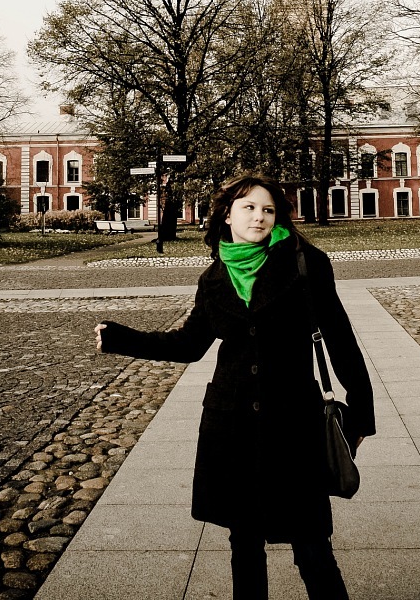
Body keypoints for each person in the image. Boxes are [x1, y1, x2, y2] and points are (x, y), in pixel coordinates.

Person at [95, 173, 375, 600]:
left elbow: (340, 339)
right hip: (232, 426)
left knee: (312, 545)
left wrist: (362, 415)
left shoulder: (306, 263)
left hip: (293, 424)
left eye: (268, 210)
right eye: (249, 207)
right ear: (227, 215)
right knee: (244, 546)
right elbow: (189, 345)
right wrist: (122, 339)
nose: (259, 217)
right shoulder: (213, 278)